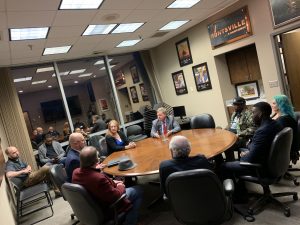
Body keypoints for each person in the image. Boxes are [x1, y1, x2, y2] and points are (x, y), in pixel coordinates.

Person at [221, 102, 283, 201]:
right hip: (276, 163)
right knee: (243, 150)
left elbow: (250, 158)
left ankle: (239, 197)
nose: (252, 116)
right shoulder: (276, 124)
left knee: (224, 166)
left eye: (253, 113)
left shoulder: (262, 130)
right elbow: (260, 146)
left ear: (260, 114)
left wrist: (245, 155)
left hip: (263, 167)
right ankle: (242, 188)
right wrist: (249, 149)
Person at [72, 146, 143, 225]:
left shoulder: (75, 172)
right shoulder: (98, 178)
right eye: (98, 158)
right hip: (106, 208)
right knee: (137, 190)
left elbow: (91, 181)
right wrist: (120, 185)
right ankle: (130, 222)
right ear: (96, 160)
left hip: (90, 206)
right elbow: (116, 196)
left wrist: (110, 180)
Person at [224, 97, 256, 161]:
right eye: (234, 104)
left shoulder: (249, 114)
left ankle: (230, 162)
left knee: (227, 146)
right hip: (232, 134)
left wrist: (239, 134)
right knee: (220, 142)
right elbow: (232, 125)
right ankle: (221, 162)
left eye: (237, 105)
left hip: (243, 138)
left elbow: (253, 128)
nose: (235, 106)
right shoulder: (234, 113)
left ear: (243, 105)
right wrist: (225, 130)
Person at [271, 94, 299, 163]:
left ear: (281, 104)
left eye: (274, 103)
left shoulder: (284, 119)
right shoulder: (278, 115)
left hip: (282, 146)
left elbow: (279, 136)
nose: (271, 105)